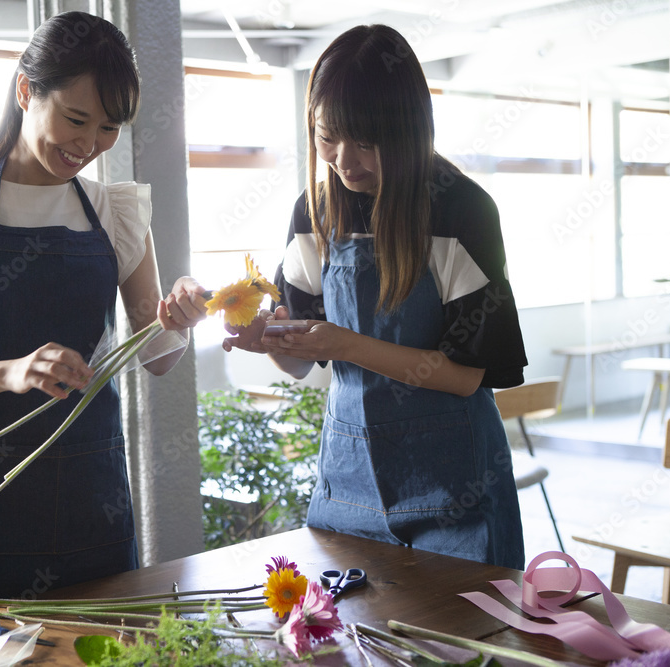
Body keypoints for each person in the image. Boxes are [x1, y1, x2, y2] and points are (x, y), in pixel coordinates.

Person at [0, 11, 206, 622]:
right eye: (76, 119)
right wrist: (8, 373)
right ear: (25, 91)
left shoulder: (115, 210)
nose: (88, 146)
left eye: (109, 128)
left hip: (90, 491)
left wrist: (182, 319)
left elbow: (157, 358)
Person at [224, 24, 528, 569]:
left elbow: (465, 374)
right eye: (327, 136)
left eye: (367, 140)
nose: (345, 159)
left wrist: (348, 345)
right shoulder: (314, 213)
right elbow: (300, 357)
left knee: (457, 647)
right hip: (348, 482)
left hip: (453, 487)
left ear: (409, 128)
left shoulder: (461, 211)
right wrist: (262, 339)